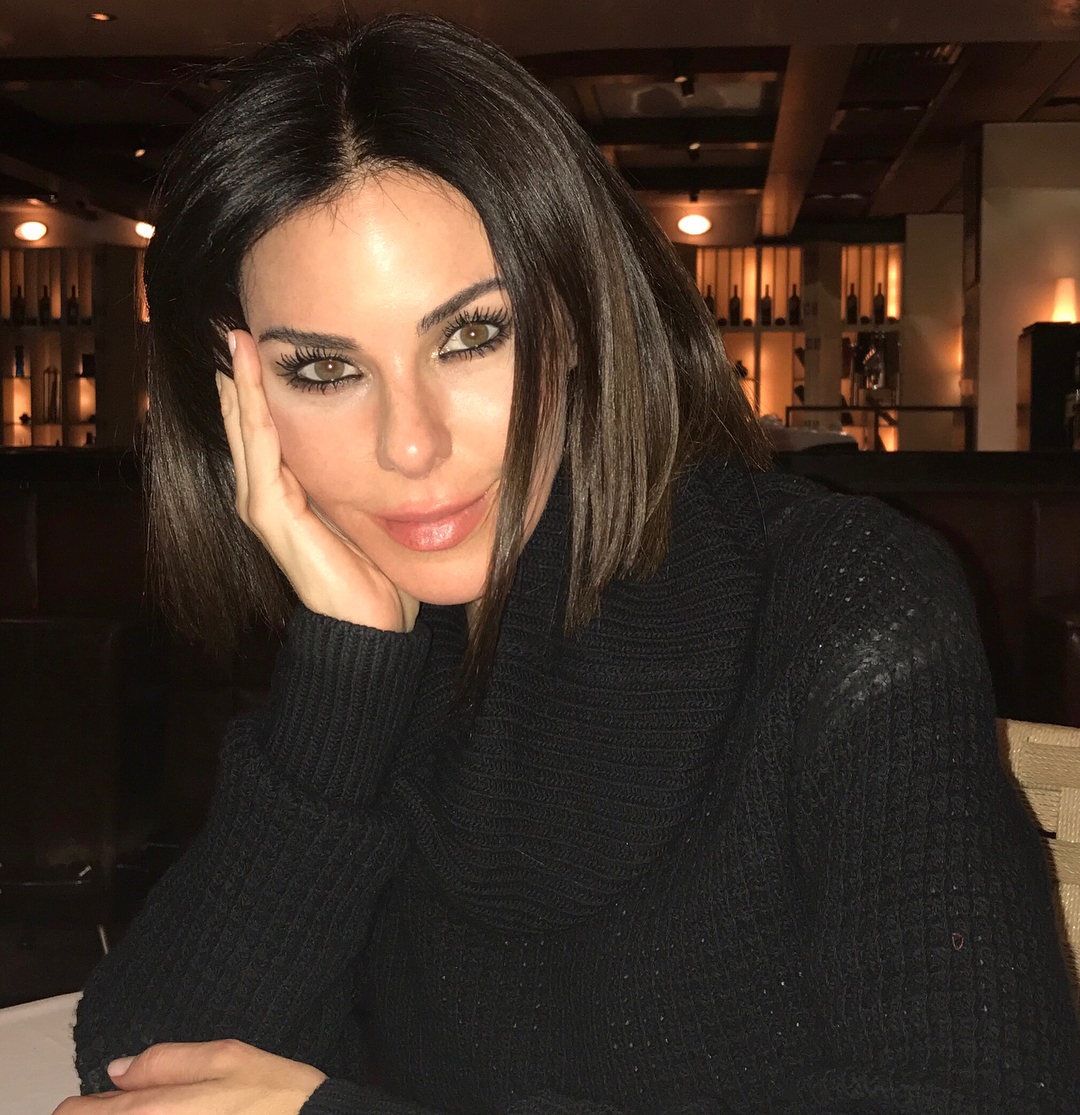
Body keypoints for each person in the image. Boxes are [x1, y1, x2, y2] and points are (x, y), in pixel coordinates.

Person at [65, 11, 1080, 1115]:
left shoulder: (845, 602)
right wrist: (342, 674)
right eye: (323, 370)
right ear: (237, 404)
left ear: (582, 315)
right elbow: (142, 1066)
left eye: (473, 336)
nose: (411, 445)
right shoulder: (376, 637)